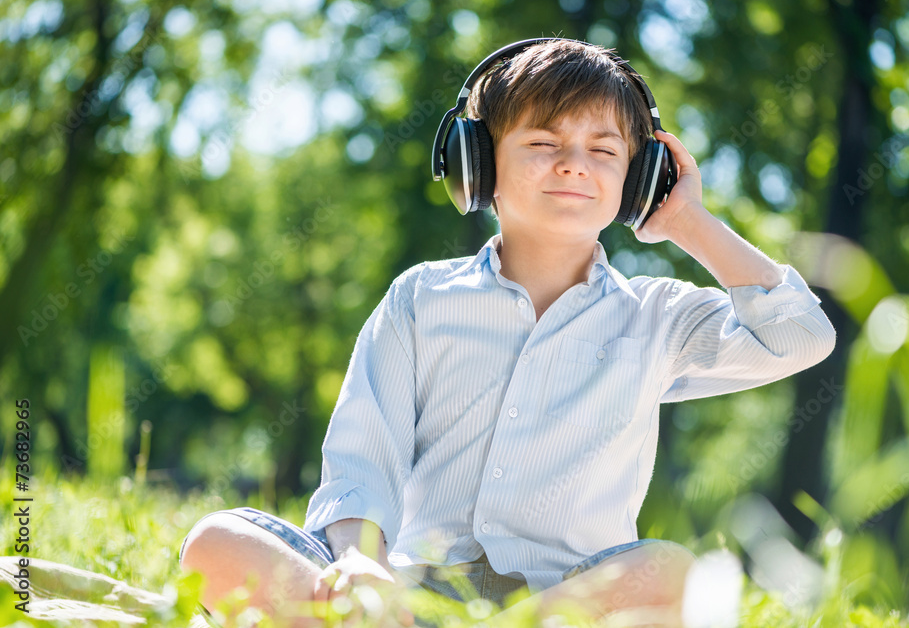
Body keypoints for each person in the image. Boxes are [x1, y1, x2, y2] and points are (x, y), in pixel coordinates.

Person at [179, 38, 836, 628]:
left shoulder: (657, 317)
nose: (574, 164)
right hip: (404, 600)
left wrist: (688, 221)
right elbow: (362, 455)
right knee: (215, 542)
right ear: (478, 165)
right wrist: (361, 563)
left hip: (556, 607)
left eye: (604, 151)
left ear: (637, 180)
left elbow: (802, 335)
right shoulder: (422, 298)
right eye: (543, 143)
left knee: (667, 572)